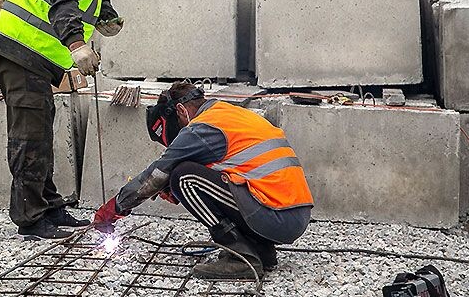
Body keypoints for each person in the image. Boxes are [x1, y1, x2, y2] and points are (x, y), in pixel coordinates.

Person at [0, 0, 136, 239]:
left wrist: (106, 14)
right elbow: (63, 0)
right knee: (29, 135)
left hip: (32, 57)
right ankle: (31, 217)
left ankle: (49, 206)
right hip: (21, 52)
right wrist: (77, 45)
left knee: (40, 130)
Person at [93, 82, 314, 279]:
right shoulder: (227, 114)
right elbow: (232, 171)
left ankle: (240, 257)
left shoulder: (202, 127)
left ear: (180, 110)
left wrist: (116, 207)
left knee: (183, 176)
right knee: (180, 177)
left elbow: (156, 174)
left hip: (277, 217)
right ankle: (260, 249)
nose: (179, 139)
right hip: (291, 213)